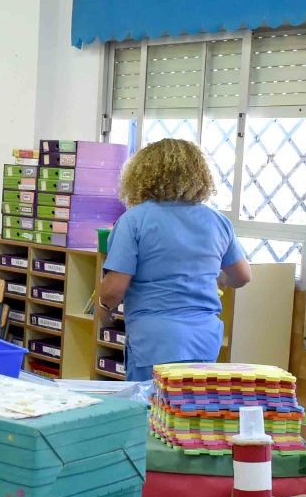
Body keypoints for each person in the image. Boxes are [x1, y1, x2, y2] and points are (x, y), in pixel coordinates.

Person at [96, 138, 252, 382]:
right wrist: (217, 278)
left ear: (142, 175)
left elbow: (114, 289)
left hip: (155, 338)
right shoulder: (217, 221)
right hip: (204, 338)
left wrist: (104, 308)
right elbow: (242, 276)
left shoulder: (134, 221)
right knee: (190, 409)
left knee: (150, 412)